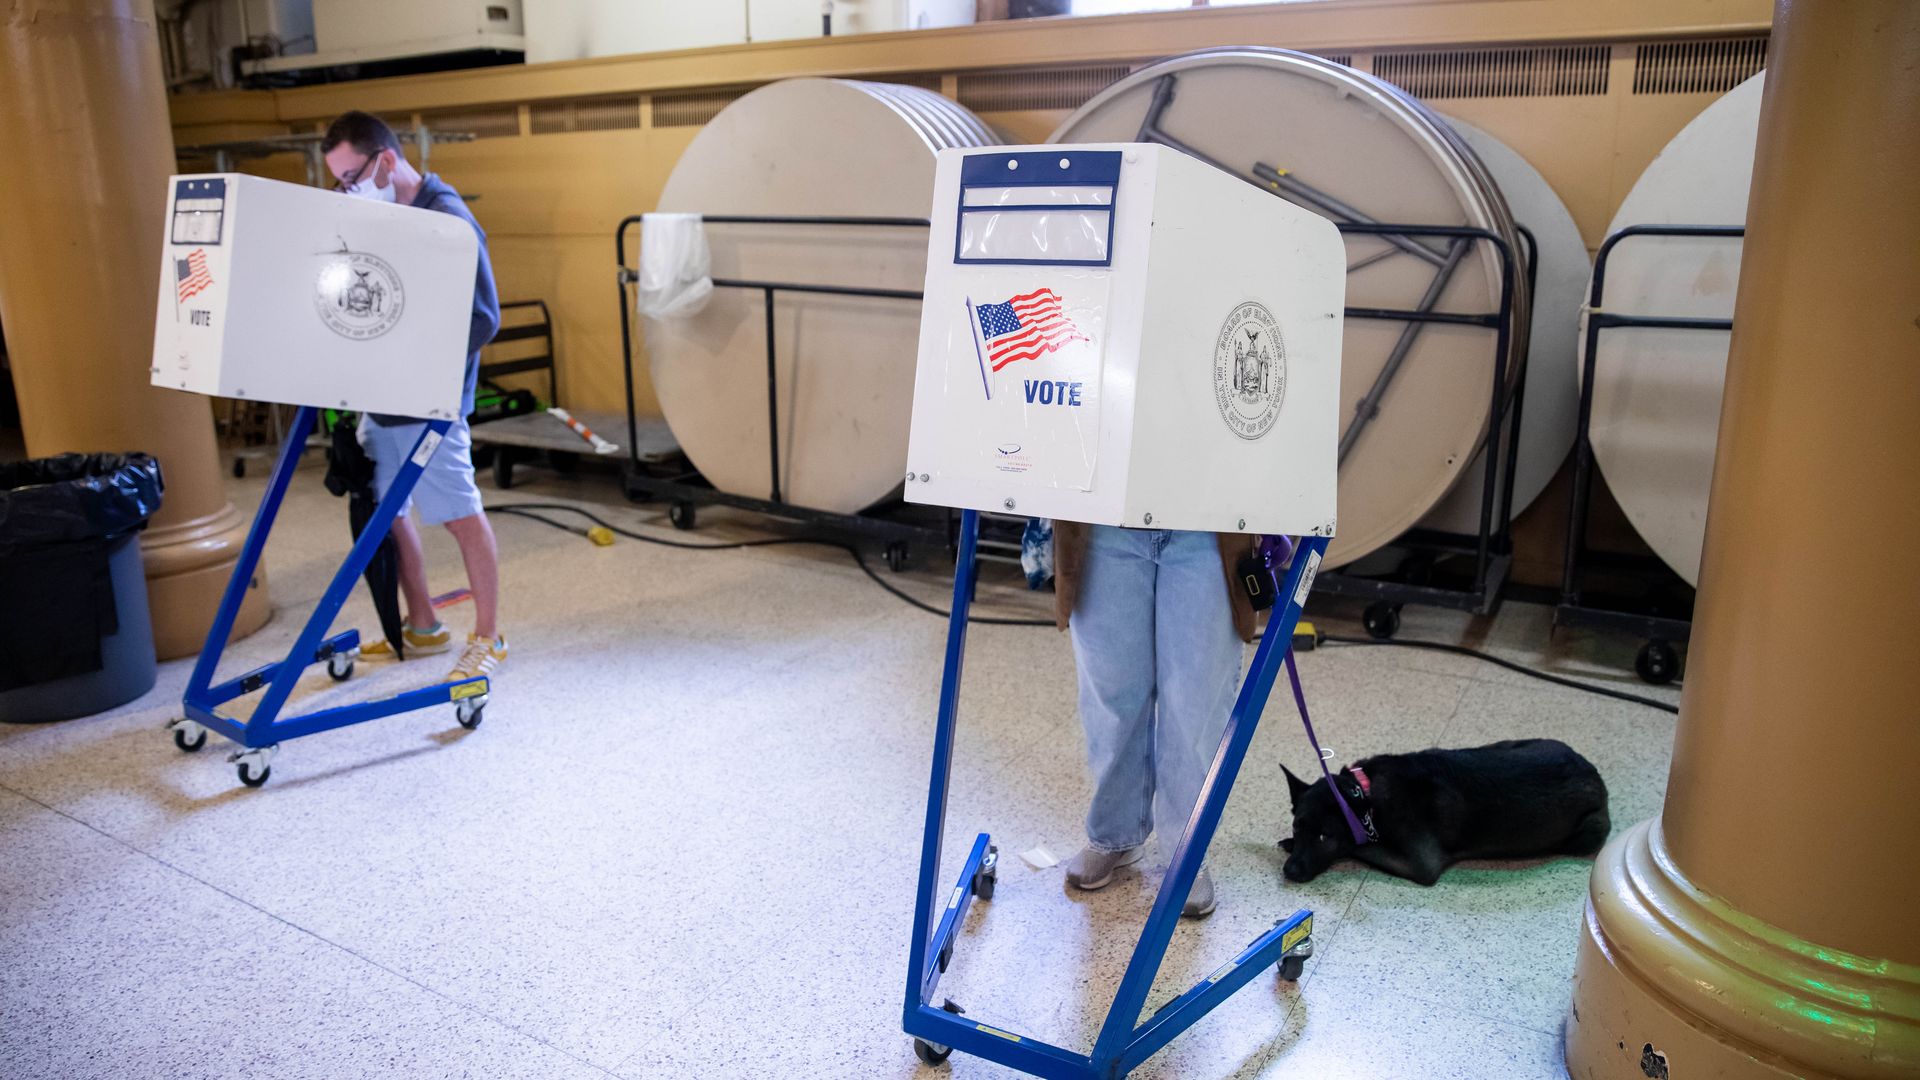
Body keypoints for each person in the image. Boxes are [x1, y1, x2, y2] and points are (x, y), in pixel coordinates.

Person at [321, 111, 507, 683]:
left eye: (353, 177)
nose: (349, 191)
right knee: (387, 509)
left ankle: (488, 637)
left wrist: (418, 360)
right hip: (385, 396)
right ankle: (423, 626)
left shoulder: (447, 219)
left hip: (431, 402)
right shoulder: (387, 217)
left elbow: (483, 319)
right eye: (339, 183)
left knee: (459, 515)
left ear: (385, 160)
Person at [1052, 523, 1266, 919]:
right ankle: (1115, 833)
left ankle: (1186, 851)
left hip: (1207, 523)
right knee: (1112, 697)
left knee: (1195, 704)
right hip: (1106, 520)